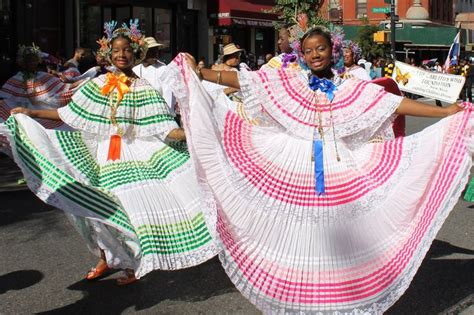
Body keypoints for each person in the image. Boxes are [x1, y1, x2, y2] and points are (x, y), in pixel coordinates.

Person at [163, 26, 471, 314]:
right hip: (293, 165)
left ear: (332, 50)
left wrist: (443, 112)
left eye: (321, 48)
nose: (315, 55)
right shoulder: (288, 81)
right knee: (299, 232)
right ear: (302, 54)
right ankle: (302, 299)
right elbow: (243, 81)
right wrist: (199, 72)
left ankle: (337, 298)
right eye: (309, 50)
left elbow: (393, 105)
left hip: (340, 169)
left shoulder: (351, 87)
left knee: (333, 236)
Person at [2, 20, 218, 285]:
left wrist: (192, 134)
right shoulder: (99, 83)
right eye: (116, 50)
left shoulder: (144, 87)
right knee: (96, 209)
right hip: (101, 153)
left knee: (126, 210)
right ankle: (106, 257)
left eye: (127, 49)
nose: (121, 54)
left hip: (134, 155)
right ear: (108, 54)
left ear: (135, 53)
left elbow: (164, 127)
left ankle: (130, 265)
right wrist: (31, 112)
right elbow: (69, 113)